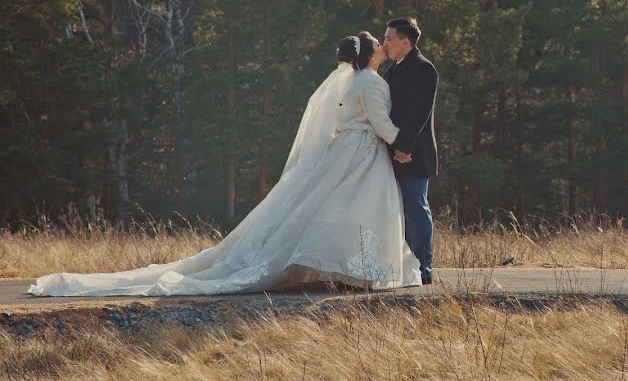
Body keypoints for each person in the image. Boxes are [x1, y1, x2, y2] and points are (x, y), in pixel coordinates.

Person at [28, 32, 422, 297]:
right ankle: (357, 269)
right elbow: (381, 123)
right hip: (362, 153)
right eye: (379, 44)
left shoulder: (349, 83)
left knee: (329, 208)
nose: (383, 47)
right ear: (368, 54)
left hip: (346, 151)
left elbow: (340, 121)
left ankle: (339, 267)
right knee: (358, 208)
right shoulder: (371, 83)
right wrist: (402, 146)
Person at [382, 18, 438, 285]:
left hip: (415, 153)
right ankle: (404, 267)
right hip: (392, 153)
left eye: (390, 39)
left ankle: (423, 267)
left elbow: (419, 114)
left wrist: (404, 147)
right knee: (397, 211)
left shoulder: (425, 69)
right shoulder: (392, 71)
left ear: (406, 42)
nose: (385, 44)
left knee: (416, 207)